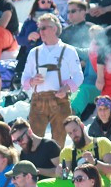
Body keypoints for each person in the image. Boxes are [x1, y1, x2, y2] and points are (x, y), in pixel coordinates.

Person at [21, 14, 83, 147]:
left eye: (44, 28)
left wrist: (66, 89)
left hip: (60, 100)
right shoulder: (34, 52)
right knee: (33, 142)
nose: (40, 32)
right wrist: (32, 81)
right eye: (40, 28)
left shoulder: (68, 50)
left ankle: (57, 167)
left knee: (59, 142)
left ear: (54, 29)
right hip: (38, 100)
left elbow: (78, 76)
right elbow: (24, 79)